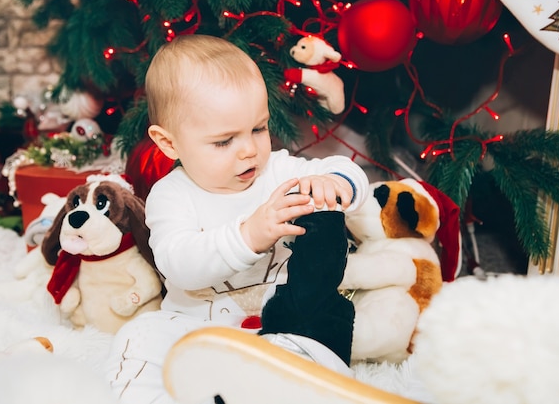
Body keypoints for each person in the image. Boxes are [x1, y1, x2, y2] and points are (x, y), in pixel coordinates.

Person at [105, 34, 369, 403]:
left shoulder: (278, 170)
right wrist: (248, 236)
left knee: (319, 353)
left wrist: (334, 182)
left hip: (280, 330)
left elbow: (350, 173)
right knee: (139, 336)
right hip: (197, 329)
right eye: (223, 141)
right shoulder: (172, 195)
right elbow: (178, 264)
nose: (249, 150)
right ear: (169, 143)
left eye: (258, 129)